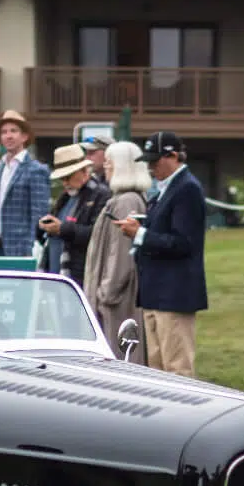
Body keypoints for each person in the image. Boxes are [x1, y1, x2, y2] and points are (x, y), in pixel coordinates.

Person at [118, 130, 206, 377]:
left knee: (177, 368)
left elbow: (184, 243)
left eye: (155, 161)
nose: (151, 167)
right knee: (156, 370)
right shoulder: (166, 189)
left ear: (174, 156)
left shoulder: (187, 189)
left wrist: (140, 234)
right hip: (156, 292)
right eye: (148, 162)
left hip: (175, 294)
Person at [82, 140, 149, 359]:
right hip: (113, 298)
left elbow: (120, 255)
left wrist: (105, 293)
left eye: (110, 162)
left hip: (117, 303)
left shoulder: (126, 201)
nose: (106, 167)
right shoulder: (120, 199)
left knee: (119, 356)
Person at [41, 143, 110, 283]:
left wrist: (61, 228)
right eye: (62, 178)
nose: (65, 182)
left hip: (79, 274)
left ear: (84, 171)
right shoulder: (65, 197)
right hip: (57, 270)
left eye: (68, 176)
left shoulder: (101, 195)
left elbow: (97, 234)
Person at [0, 109, 50, 258]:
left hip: (22, 247)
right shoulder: (1, 167)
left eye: (13, 131)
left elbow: (40, 214)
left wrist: (31, 247)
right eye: (4, 132)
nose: (8, 136)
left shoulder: (36, 169)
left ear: (24, 136)